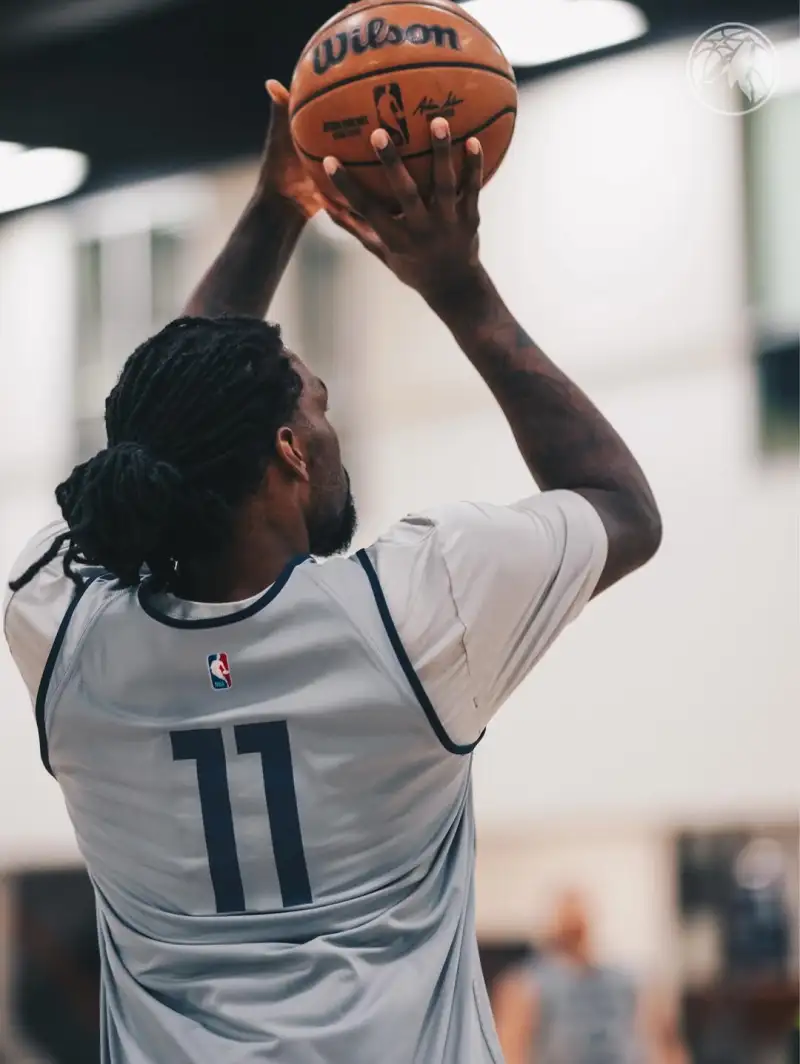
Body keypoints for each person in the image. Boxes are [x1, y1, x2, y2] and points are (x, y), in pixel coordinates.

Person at [3, 78, 662, 1064]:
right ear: (290, 451)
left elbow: (153, 433)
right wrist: (454, 283)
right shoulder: (412, 612)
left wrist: (274, 206)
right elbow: (620, 506)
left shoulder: (66, 631)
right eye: (319, 403)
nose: (330, 421)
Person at [493, 891, 690, 1064]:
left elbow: (665, 1045)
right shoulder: (526, 986)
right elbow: (510, 1049)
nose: (574, 931)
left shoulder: (628, 983)